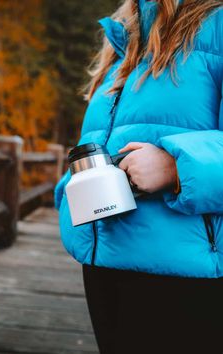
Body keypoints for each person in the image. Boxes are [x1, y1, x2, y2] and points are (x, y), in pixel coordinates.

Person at [55, 0, 223, 353]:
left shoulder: (218, 24)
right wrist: (69, 194)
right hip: (105, 262)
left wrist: (178, 167)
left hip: (188, 273)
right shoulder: (126, 32)